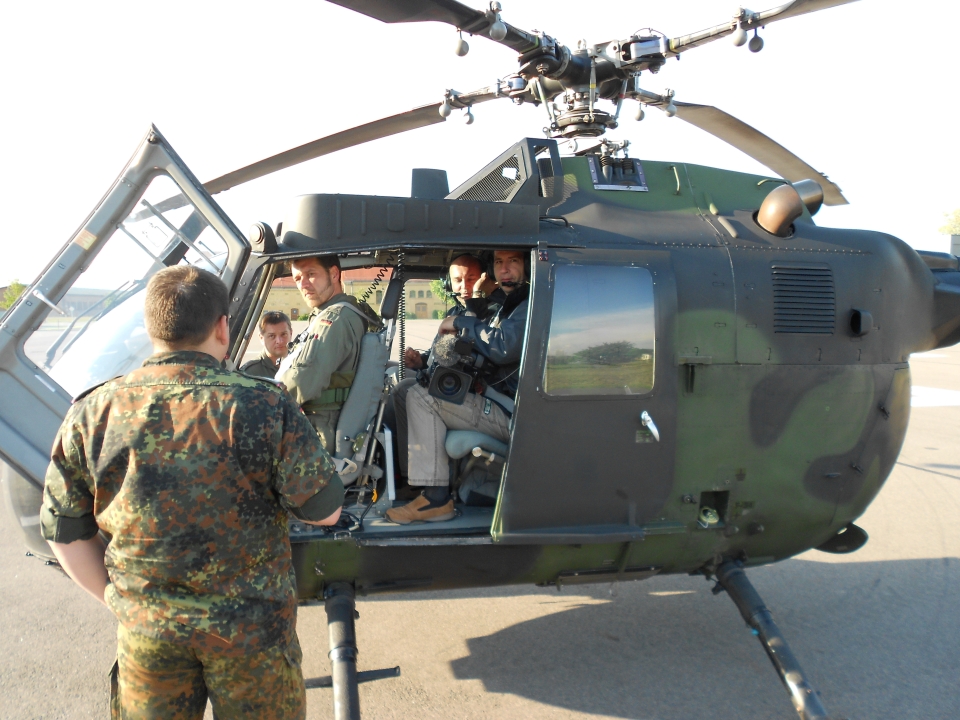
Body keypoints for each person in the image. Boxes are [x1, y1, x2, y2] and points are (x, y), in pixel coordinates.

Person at [40, 265, 344, 720]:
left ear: (151, 329)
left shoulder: (92, 412)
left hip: (149, 636)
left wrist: (121, 602)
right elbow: (325, 511)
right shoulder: (265, 404)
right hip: (252, 638)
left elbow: (64, 532)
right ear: (222, 328)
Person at [386, 249, 530, 524]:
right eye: (499, 262)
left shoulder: (526, 304)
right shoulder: (508, 306)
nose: (505, 269)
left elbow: (503, 347)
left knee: (421, 396)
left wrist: (462, 319)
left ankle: (436, 500)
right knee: (407, 390)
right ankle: (417, 484)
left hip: (513, 411)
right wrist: (424, 361)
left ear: (526, 266)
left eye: (513, 261)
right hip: (493, 398)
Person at [390, 253, 495, 481]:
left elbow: (470, 350)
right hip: (448, 380)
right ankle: (408, 475)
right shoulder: (454, 313)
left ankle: (427, 482)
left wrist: (475, 301)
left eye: (471, 279)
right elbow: (440, 354)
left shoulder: (491, 313)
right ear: (448, 283)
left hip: (471, 391)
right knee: (397, 379)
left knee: (407, 391)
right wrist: (420, 362)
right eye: (457, 280)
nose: (464, 286)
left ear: (485, 278)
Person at [278, 255, 378, 453]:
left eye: (311, 274)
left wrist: (261, 400)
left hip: (318, 431)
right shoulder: (342, 312)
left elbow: (302, 381)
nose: (303, 285)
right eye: (297, 278)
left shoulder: (334, 319)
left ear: (333, 274)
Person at [240, 310, 292, 378]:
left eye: (283, 334)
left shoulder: (300, 364)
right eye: (272, 336)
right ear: (261, 338)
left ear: (291, 333)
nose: (279, 341)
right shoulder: (249, 373)